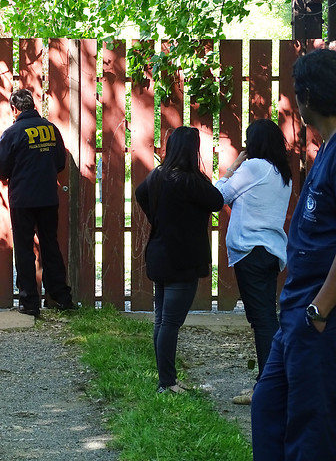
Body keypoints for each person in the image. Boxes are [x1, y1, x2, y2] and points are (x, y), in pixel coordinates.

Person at [251, 48, 336, 460]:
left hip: (318, 319)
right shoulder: (327, 150)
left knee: (310, 426)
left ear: (307, 98)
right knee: (268, 408)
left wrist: (320, 309)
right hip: (295, 316)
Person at [135, 126, 224, 394]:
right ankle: (168, 383)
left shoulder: (158, 175)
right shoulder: (191, 181)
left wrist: (157, 217)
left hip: (160, 254)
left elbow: (140, 194)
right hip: (183, 259)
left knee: (162, 320)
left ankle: (166, 379)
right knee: (170, 323)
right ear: (192, 150)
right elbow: (217, 201)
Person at [215, 119, 292, 405]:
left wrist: (232, 168)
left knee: (262, 321)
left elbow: (219, 195)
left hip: (252, 251)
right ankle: (273, 383)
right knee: (265, 318)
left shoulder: (254, 167)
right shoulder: (281, 173)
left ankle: (268, 387)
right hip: (270, 252)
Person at [0, 88, 74, 316]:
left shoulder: (13, 133)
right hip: (48, 197)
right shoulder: (51, 129)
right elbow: (60, 162)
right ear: (33, 105)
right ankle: (61, 296)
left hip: (22, 199)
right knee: (50, 245)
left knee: (24, 249)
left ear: (15, 109)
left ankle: (30, 302)